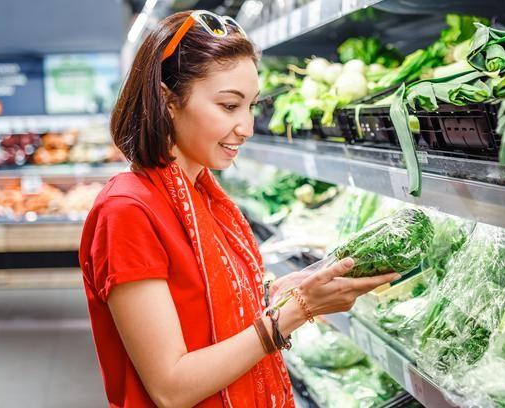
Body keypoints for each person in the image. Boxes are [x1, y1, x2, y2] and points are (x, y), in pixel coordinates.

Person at [79, 10, 400, 408]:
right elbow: (171, 387)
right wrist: (296, 312)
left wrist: (274, 294)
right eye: (229, 106)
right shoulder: (127, 210)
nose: (247, 126)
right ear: (167, 101)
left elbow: (200, 310)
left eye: (251, 106)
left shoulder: (204, 196)